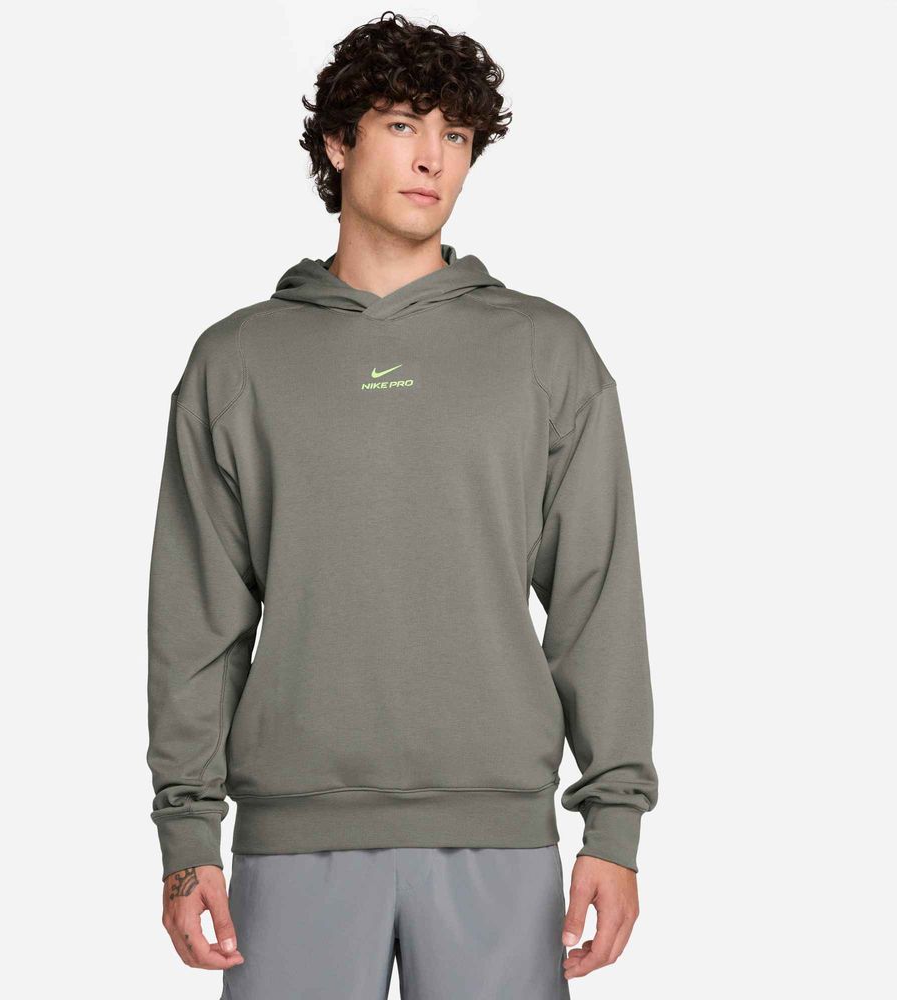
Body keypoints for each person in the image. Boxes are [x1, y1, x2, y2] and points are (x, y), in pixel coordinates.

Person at [146, 11, 658, 997]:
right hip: (292, 840)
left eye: (455, 134)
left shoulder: (544, 352)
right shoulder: (237, 361)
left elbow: (596, 597)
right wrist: (186, 834)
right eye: (401, 125)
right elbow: (196, 618)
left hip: (498, 838)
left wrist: (614, 824)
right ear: (337, 144)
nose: (433, 157)